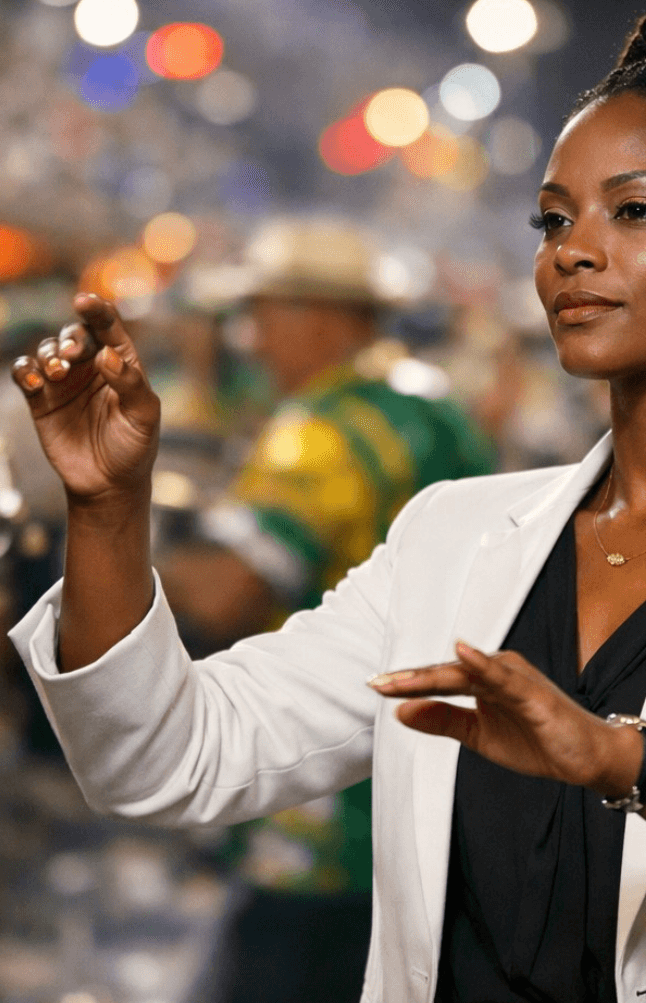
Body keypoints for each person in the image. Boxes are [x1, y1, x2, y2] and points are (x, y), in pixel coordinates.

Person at [8, 0, 646, 1002]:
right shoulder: (456, 535)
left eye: (638, 210)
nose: (572, 249)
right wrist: (108, 512)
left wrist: (624, 762)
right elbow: (171, 757)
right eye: (554, 217)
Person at [148, 219, 493, 1002]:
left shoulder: (320, 431)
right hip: (437, 798)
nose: (252, 340)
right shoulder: (442, 412)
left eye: (263, 316)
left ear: (321, 318)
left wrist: (114, 569)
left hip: (324, 816)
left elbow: (231, 593)